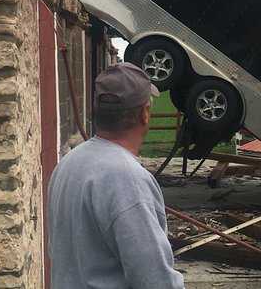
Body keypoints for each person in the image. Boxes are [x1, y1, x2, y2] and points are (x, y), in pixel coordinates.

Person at [47, 62, 185, 289]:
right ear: (145, 114)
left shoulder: (68, 164)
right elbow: (155, 281)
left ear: (97, 111)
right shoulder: (127, 180)